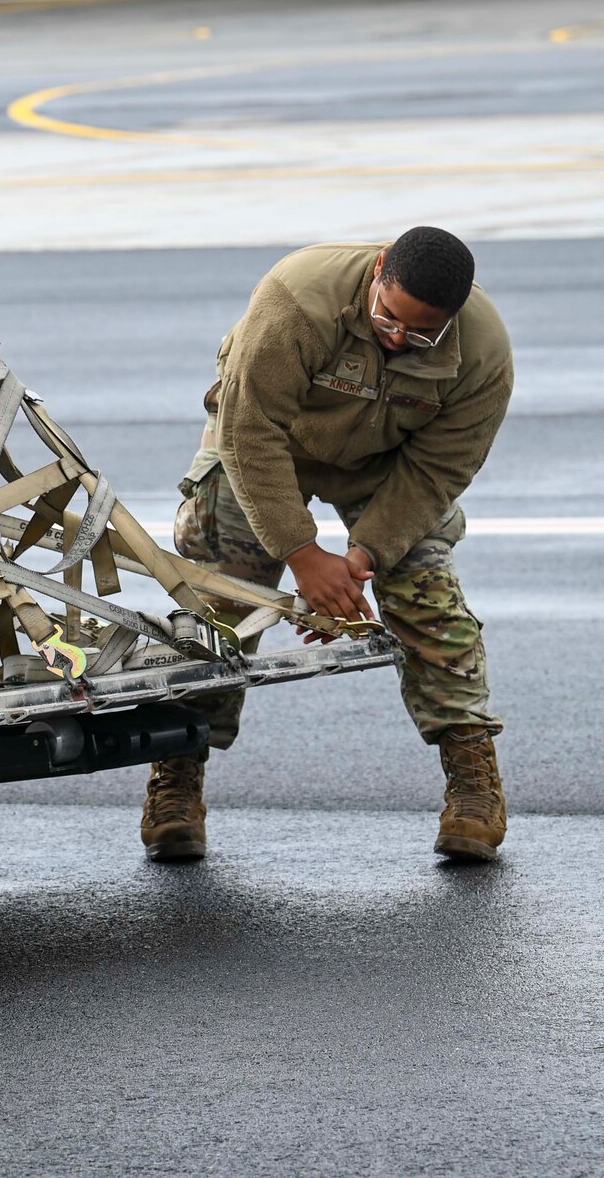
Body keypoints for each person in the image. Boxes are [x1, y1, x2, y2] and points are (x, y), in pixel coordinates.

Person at [146, 228, 514, 864]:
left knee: (428, 597)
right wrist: (303, 555)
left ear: (451, 319)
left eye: (421, 334)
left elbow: (436, 472)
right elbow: (247, 431)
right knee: (221, 601)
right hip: (266, 448)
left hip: (384, 466)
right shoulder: (297, 300)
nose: (398, 338)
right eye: (389, 318)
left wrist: (362, 558)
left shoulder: (483, 354)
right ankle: (178, 773)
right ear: (377, 273)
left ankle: (473, 786)